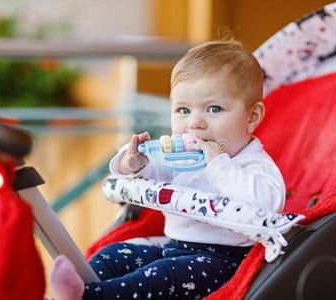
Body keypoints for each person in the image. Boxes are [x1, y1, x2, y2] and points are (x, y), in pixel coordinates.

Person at [50, 39, 286, 300]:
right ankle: (78, 289)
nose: (195, 123)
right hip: (174, 247)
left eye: (214, 109)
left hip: (224, 262)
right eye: (183, 110)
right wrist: (135, 164)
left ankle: (91, 297)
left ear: (251, 117)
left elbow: (267, 203)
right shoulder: (181, 157)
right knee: (114, 255)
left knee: (156, 278)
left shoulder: (252, 164)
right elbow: (152, 174)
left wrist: (219, 164)